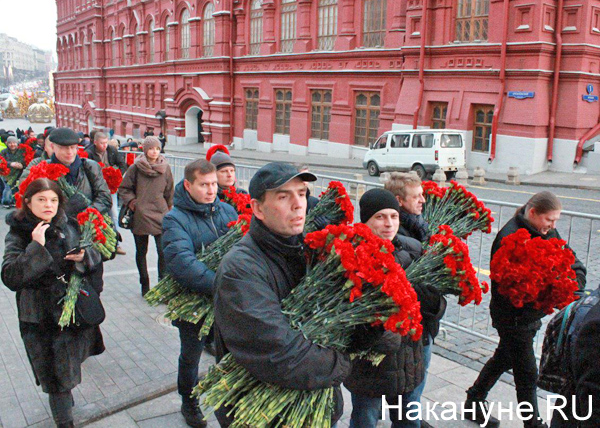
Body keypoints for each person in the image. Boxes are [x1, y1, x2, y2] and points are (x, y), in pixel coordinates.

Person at [213, 162, 352, 427]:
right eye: (283, 196)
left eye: (301, 193)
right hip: (265, 416)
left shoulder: (313, 250)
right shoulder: (240, 268)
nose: (299, 204)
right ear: (257, 209)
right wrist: (345, 362)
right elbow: (280, 353)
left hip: (317, 408)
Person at [466, 191, 587, 428]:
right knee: (527, 372)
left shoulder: (546, 231)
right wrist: (542, 295)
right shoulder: (509, 236)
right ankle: (532, 423)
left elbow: (575, 263)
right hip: (512, 317)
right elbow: (507, 290)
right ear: (533, 213)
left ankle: (474, 399)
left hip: (531, 316)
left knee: (503, 358)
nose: (551, 226)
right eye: (548, 220)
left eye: (555, 222)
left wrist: (569, 286)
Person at [2, 178, 105, 428]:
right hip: (40, 317)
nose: (48, 205)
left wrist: (86, 256)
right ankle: (64, 421)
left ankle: (64, 402)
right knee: (56, 378)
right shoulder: (19, 232)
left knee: (67, 369)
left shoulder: (68, 224)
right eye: (41, 199)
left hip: (71, 312)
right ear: (28, 202)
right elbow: (11, 276)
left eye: (53, 200)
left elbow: (96, 253)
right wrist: (36, 247)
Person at [345, 188, 438, 428]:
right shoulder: (351, 253)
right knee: (365, 417)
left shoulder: (414, 249)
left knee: (408, 419)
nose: (389, 223)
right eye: (380, 217)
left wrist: (432, 303)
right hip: (372, 364)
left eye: (394, 216)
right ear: (365, 221)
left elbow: (436, 307)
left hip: (410, 356)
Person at [162, 159, 237, 428]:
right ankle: (189, 400)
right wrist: (224, 285)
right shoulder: (174, 219)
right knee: (191, 355)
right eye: (204, 185)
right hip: (194, 301)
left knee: (231, 354)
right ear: (188, 185)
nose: (211, 190)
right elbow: (182, 262)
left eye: (214, 184)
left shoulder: (227, 211)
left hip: (227, 302)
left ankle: (231, 397)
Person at [384, 172, 446, 415]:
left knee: (410, 386)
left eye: (422, 194)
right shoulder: (395, 235)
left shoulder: (421, 228)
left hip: (422, 325)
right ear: (399, 200)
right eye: (417, 196)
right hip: (408, 327)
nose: (423, 200)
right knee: (404, 389)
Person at [118, 136, 174, 296]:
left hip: (160, 213)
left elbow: (170, 190)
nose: (155, 152)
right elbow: (124, 188)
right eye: (151, 148)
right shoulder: (136, 167)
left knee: (163, 251)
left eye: (157, 148)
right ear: (145, 149)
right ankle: (145, 284)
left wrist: (169, 208)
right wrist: (133, 203)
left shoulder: (165, 167)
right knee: (141, 251)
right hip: (141, 214)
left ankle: (162, 284)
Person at [47, 128, 112, 219]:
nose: (70, 152)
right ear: (53, 147)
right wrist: (64, 212)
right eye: (64, 148)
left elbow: (104, 198)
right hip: (58, 226)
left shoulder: (90, 167)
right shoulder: (43, 169)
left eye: (73, 147)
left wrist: (85, 214)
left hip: (89, 224)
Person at [85, 132, 128, 256]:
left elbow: (122, 165)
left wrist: (116, 174)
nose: (104, 146)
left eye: (106, 143)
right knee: (96, 214)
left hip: (110, 187)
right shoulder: (89, 153)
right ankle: (96, 243)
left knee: (114, 214)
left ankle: (116, 243)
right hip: (95, 189)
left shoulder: (112, 150)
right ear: (95, 142)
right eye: (101, 143)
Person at [1, 136, 23, 207]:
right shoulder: (3, 152)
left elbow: (26, 161)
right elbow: (1, 161)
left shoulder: (21, 151)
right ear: (7, 143)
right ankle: (5, 201)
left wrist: (22, 165)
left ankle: (13, 201)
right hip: (6, 173)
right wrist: (10, 164)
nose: (12, 144)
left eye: (14, 143)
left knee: (15, 187)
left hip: (18, 173)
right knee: (7, 187)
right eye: (10, 143)